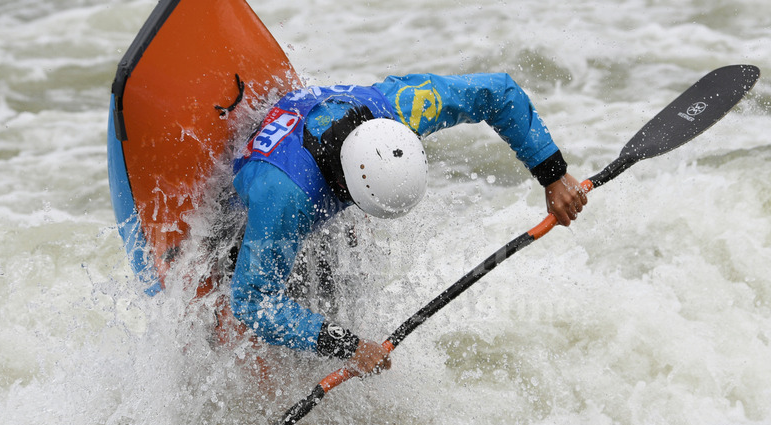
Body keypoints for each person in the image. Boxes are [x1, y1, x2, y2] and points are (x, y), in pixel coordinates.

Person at [228, 73, 587, 378]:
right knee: (262, 300)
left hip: (305, 141)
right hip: (253, 200)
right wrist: (347, 346)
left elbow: (497, 92)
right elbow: (252, 301)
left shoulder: (400, 108)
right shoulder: (286, 200)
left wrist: (552, 174)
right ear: (343, 186)